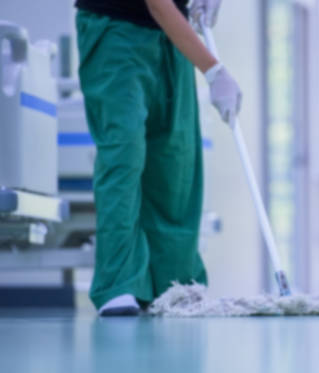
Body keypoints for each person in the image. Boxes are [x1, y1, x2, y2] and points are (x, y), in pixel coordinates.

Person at [74, 0, 241, 316]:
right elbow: (158, 4)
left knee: (174, 162)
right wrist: (213, 70)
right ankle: (118, 284)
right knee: (124, 155)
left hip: (169, 35)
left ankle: (174, 287)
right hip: (114, 29)